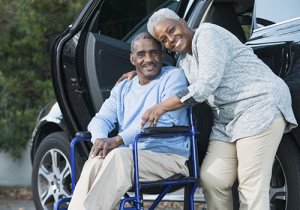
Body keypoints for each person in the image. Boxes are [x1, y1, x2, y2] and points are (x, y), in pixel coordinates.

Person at [116, 8, 298, 210]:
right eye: (164, 39)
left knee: (250, 184)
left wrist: (161, 107)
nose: (170, 39)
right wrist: (140, 70)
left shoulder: (207, 34)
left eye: (171, 30)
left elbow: (203, 87)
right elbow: (172, 80)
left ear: (183, 22)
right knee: (213, 179)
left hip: (258, 104)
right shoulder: (184, 61)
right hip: (227, 119)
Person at [68, 32, 191, 210]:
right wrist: (100, 141)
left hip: (169, 160)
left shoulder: (173, 77)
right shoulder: (123, 87)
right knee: (96, 160)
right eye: (141, 54)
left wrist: (118, 140)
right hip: (129, 159)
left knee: (119, 154)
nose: (148, 59)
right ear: (132, 59)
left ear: (162, 56)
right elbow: (101, 119)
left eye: (154, 53)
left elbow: (164, 119)